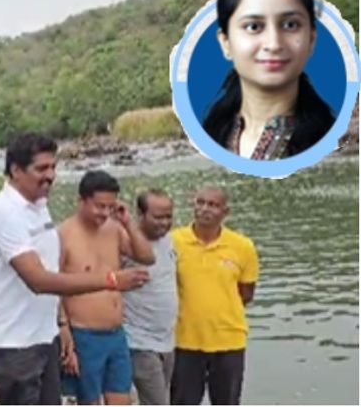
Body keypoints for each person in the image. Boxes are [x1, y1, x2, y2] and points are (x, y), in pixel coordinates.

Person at [0, 134, 150, 405]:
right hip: (14, 343)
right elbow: (39, 280)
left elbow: (51, 268)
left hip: (44, 336)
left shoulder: (38, 205)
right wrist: (111, 280)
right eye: (41, 168)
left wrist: (58, 326)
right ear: (15, 170)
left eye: (53, 167)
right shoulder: (6, 213)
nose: (50, 176)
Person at [203, 0, 335, 160]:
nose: (274, 44)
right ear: (225, 42)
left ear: (311, 38)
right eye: (254, 27)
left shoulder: (338, 142)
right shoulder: (210, 136)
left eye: (290, 25)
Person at [58, 171, 155, 405]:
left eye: (110, 207)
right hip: (84, 335)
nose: (105, 213)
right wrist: (64, 331)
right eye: (99, 206)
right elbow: (55, 285)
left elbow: (147, 256)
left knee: (122, 399)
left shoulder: (113, 229)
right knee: (88, 400)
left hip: (116, 334)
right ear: (81, 201)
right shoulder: (64, 234)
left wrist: (128, 222)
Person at [170, 186, 259, 405]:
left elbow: (246, 293)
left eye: (212, 205)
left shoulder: (242, 246)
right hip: (184, 341)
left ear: (225, 212)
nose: (204, 209)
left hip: (229, 340)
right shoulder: (173, 242)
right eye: (200, 203)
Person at [122, 189, 177, 405]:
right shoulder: (126, 244)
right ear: (140, 214)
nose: (164, 223)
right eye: (158, 217)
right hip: (138, 341)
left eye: (168, 216)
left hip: (167, 340)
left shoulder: (169, 241)